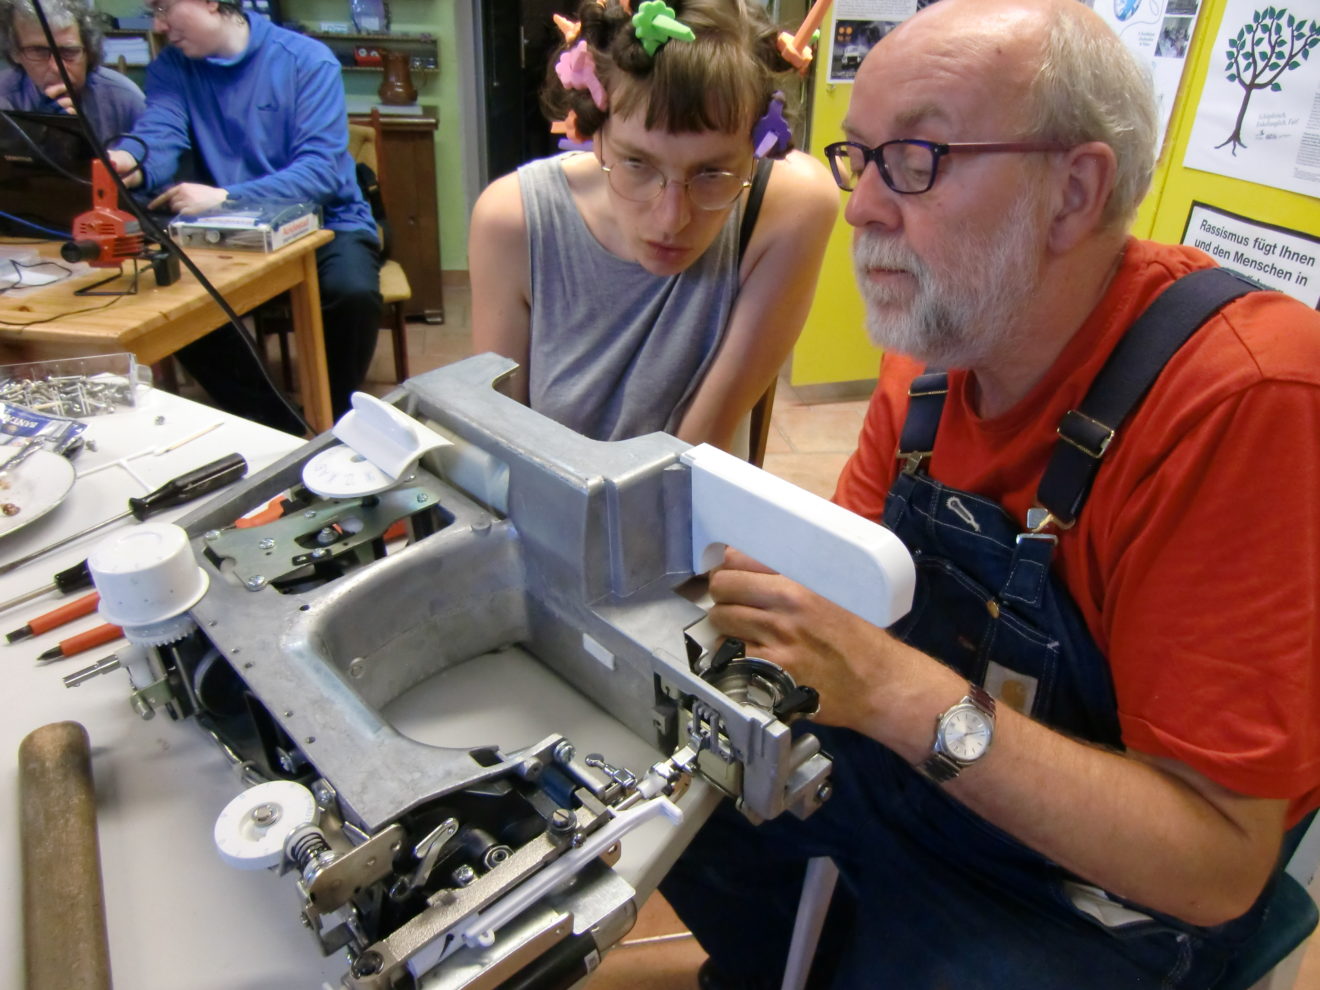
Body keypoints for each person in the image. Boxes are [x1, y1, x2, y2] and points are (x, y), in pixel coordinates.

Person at [660, 0, 1320, 987]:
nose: (863, 207)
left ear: (1074, 191)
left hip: (1103, 893)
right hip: (929, 786)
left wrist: (886, 684)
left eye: (917, 159)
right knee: (678, 809)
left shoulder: (1242, 393)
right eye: (862, 158)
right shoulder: (934, 351)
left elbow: (1218, 864)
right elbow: (846, 606)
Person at [468, 0, 838, 451]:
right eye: (637, 163)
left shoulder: (792, 208)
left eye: (712, 173)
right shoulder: (514, 222)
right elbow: (500, 445)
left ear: (756, 150)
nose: (671, 219)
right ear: (594, 133)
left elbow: (696, 450)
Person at [106, 0, 381, 433]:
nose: (157, 24)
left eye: (164, 7)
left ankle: (335, 418)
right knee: (176, 305)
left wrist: (226, 196)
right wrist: (130, 159)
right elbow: (160, 133)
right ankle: (277, 426)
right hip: (226, 232)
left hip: (326, 222)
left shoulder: (307, 61)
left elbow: (320, 173)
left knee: (353, 291)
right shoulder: (171, 68)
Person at [0, 0, 144, 140]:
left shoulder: (125, 99)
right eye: (38, 51)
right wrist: (37, 132)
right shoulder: (4, 97)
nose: (56, 69)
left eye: (69, 52)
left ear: (89, 51)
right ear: (15, 53)